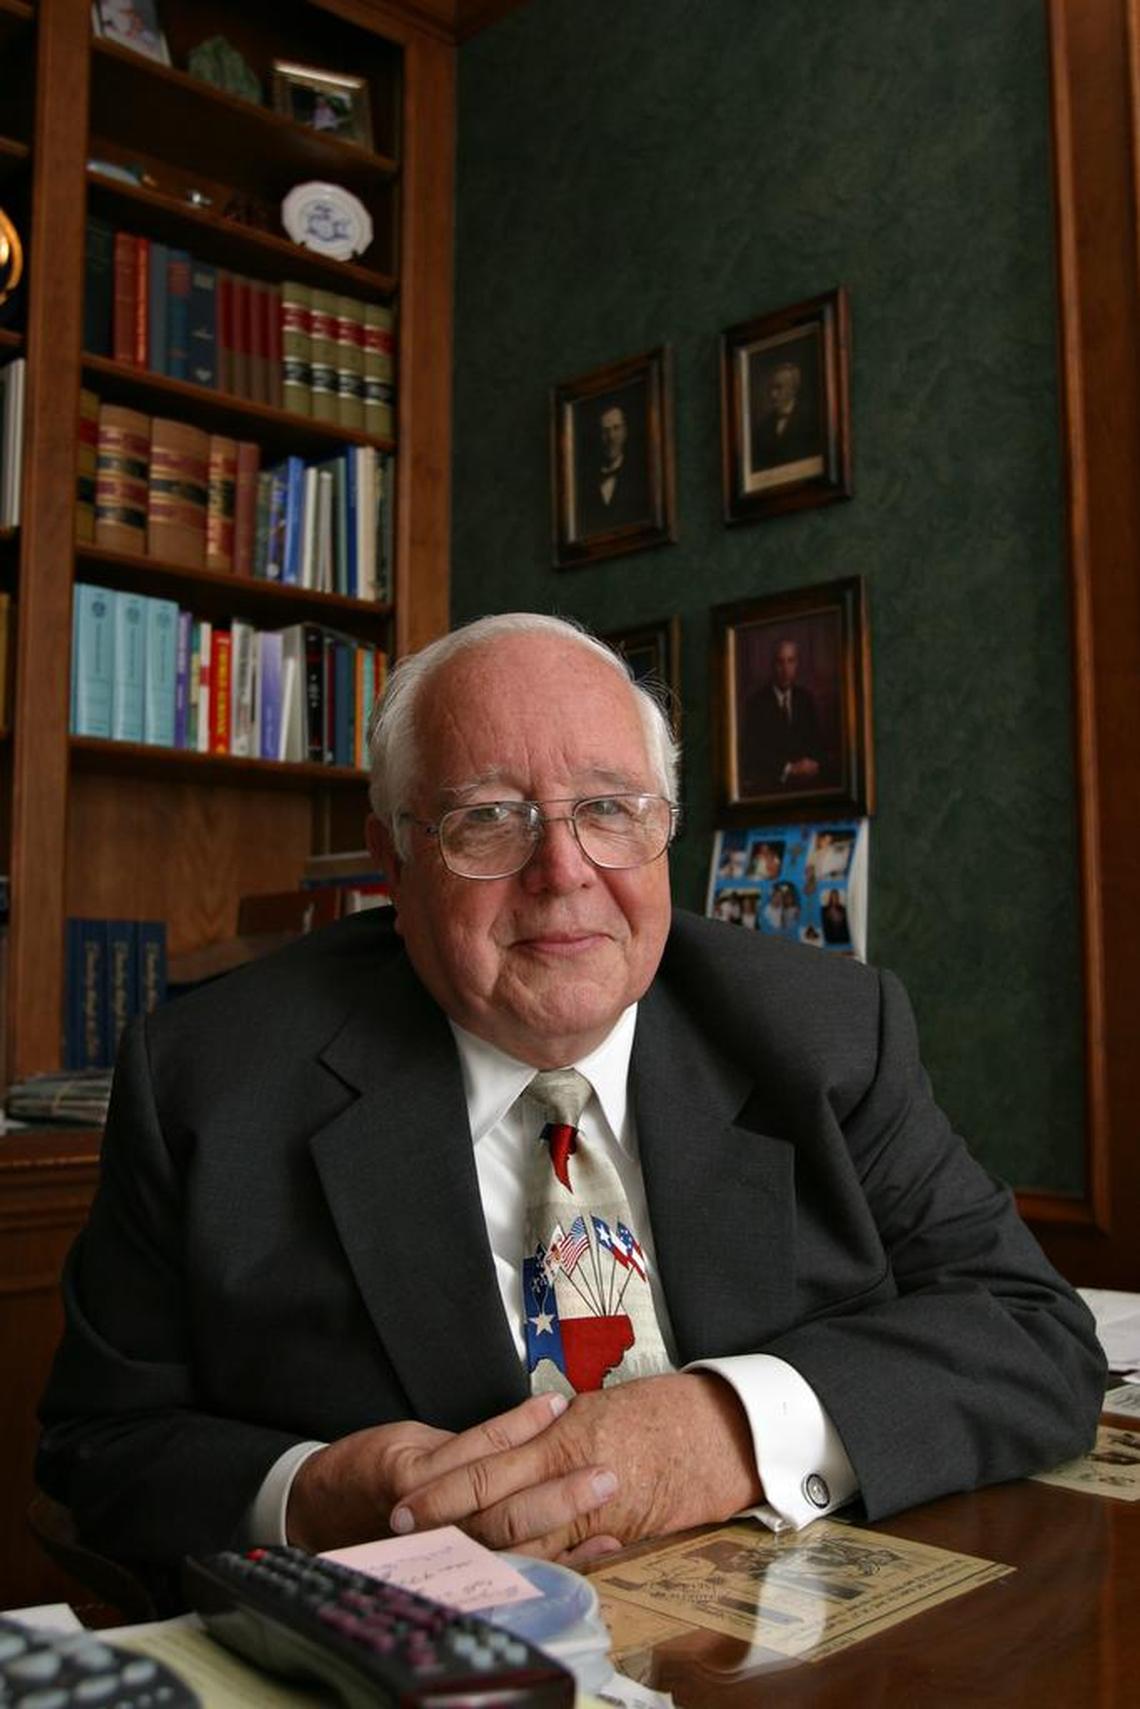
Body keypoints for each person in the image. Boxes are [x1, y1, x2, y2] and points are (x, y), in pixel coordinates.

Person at [37, 613, 1104, 1607]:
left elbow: (1033, 1331)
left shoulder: (824, 1032)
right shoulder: (212, 1079)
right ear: (393, 862)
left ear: (664, 830)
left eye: (608, 809)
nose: (564, 872)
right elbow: (103, 1442)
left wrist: (724, 1428)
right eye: (488, 819)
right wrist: (309, 1495)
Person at [738, 637, 827, 797]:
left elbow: (818, 744)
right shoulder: (756, 703)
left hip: (806, 787)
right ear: (773, 665)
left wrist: (812, 764)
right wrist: (789, 769)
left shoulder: (805, 699)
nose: (786, 669)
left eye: (790, 661)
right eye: (780, 662)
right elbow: (752, 753)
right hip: (771, 789)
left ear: (797, 664)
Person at [577, 402, 646, 536]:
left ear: (625, 432)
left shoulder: (640, 476)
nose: (611, 437)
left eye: (616, 428)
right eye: (605, 431)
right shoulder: (583, 481)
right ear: (597, 436)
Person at [749, 359, 820, 470]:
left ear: (793, 389)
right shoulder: (762, 428)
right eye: (771, 388)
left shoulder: (810, 421)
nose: (773, 394)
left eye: (779, 388)